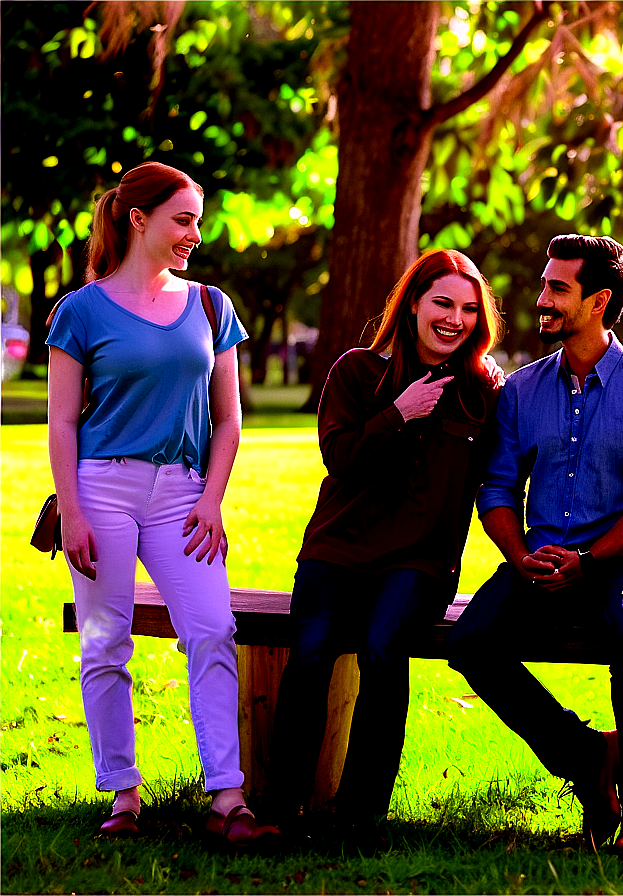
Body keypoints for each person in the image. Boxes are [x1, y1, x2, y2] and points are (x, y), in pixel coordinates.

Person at [47, 161, 279, 846]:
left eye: (197, 222)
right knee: (107, 645)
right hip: (102, 489)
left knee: (211, 628)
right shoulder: (80, 311)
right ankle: (123, 794)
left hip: (183, 494)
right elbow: (61, 422)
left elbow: (230, 418)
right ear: (137, 219)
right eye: (182, 220)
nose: (193, 235)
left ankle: (228, 799)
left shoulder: (212, 306)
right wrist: (75, 512)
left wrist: (212, 500)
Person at [447, 234, 623, 857]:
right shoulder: (522, 392)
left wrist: (591, 560)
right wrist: (519, 556)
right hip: (541, 561)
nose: (542, 299)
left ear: (599, 301)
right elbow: (497, 488)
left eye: (559, 288)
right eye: (545, 284)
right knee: (470, 642)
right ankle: (587, 757)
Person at [269, 249, 504, 847]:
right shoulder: (356, 372)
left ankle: (358, 813)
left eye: (469, 309)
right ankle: (279, 806)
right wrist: (397, 414)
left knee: (380, 650)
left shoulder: (483, 391)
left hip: (419, 559)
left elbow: (503, 472)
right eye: (443, 304)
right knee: (313, 652)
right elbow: (341, 459)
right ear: (414, 304)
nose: (455, 319)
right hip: (339, 547)